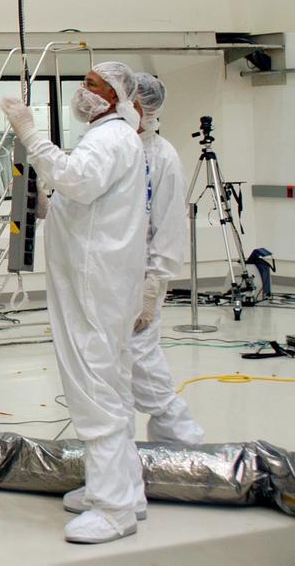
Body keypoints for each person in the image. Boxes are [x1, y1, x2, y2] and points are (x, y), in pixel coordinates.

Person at [0, 61, 148, 544]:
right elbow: (86, 196)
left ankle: (114, 508)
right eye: (83, 83)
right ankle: (125, 488)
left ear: (115, 95)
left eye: (93, 84)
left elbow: (79, 181)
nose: (83, 91)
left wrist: (29, 133)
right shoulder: (112, 137)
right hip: (102, 280)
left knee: (94, 388)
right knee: (114, 385)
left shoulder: (109, 139)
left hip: (93, 283)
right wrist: (52, 206)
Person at [124, 74, 205, 443]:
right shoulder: (117, 147)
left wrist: (153, 288)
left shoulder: (163, 158)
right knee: (113, 369)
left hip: (141, 279)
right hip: (110, 278)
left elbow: (169, 229)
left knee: (142, 361)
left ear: (141, 107)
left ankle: (182, 442)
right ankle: (120, 452)